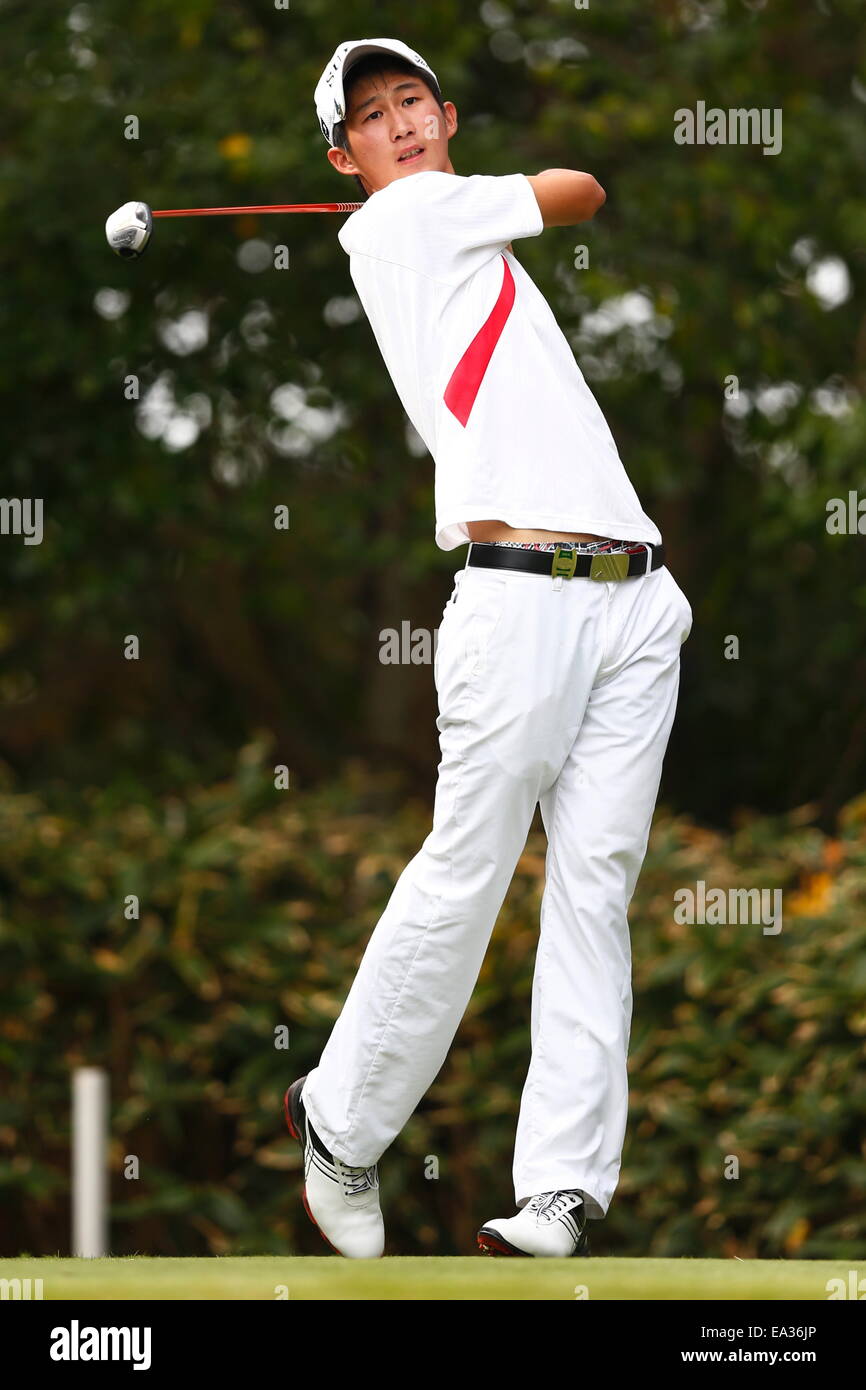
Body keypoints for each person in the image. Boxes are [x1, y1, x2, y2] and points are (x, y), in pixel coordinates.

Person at [284, 37, 693, 1259]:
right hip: (516, 602)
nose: (400, 123)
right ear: (342, 156)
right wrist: (461, 183)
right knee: (469, 867)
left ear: (447, 115)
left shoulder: (453, 233)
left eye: (414, 101)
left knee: (593, 890)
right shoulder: (403, 225)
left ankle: (561, 1189)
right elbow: (580, 188)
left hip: (633, 596)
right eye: (372, 115)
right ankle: (340, 1125)